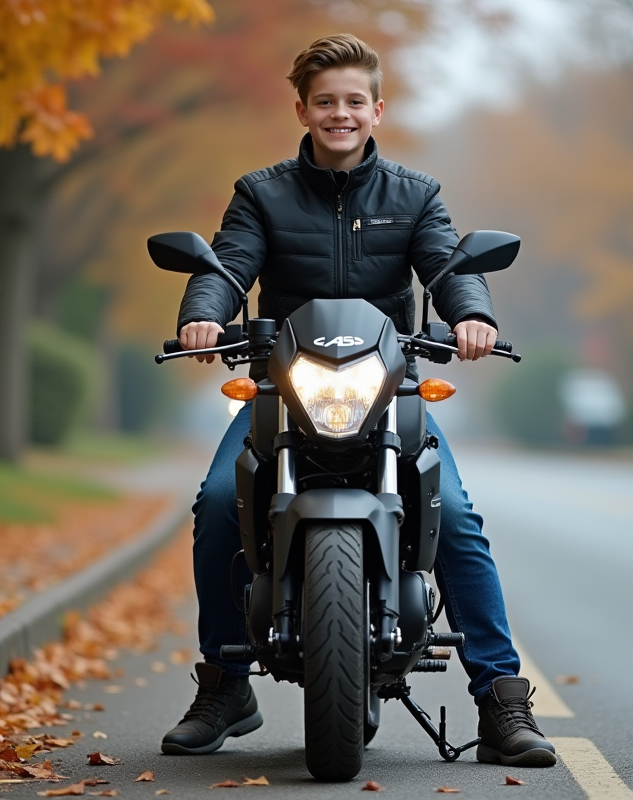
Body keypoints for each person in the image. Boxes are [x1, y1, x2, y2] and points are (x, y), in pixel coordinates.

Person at [160, 33, 556, 769]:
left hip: (388, 389)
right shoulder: (261, 192)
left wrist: (474, 315)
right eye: (325, 102)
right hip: (285, 388)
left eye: (353, 101)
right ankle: (224, 682)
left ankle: (502, 701)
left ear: (377, 109)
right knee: (219, 502)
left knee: (458, 517)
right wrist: (205, 309)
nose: (339, 114)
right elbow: (229, 261)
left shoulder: (415, 195)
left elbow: (448, 264)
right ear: (303, 109)